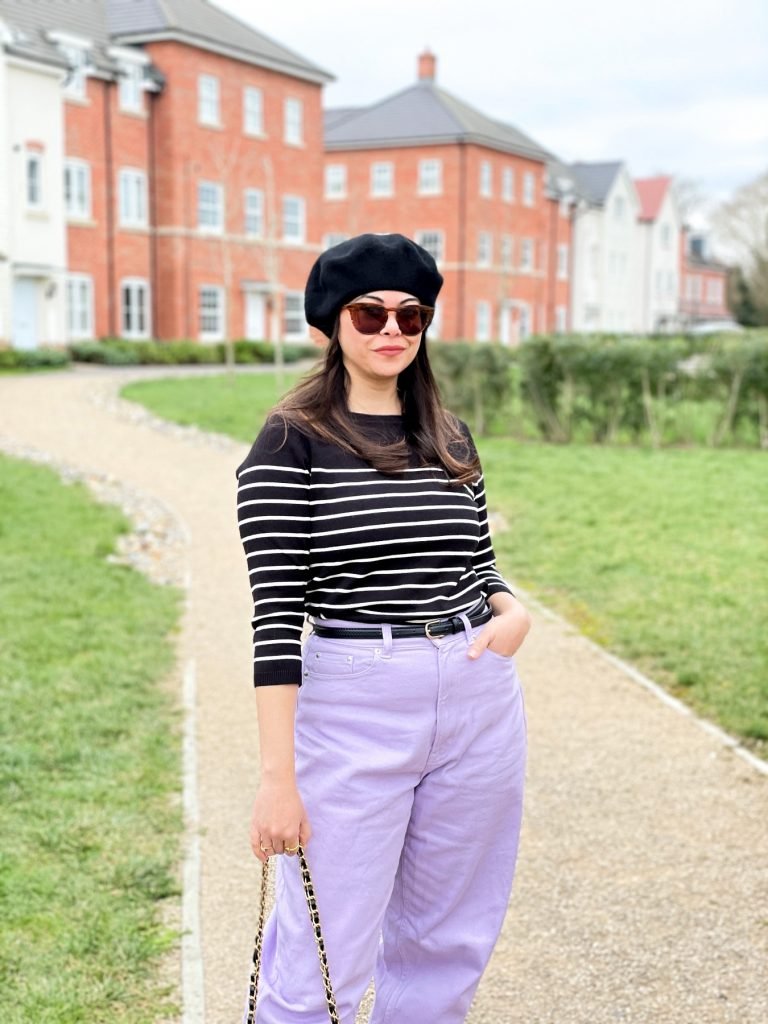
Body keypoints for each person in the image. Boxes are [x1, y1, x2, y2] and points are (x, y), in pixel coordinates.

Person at [235, 233, 530, 1023]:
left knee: (448, 943)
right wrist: (276, 780)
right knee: (323, 953)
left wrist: (512, 609)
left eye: (412, 313)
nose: (392, 330)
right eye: (370, 313)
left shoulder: (450, 432)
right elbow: (273, 617)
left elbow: (475, 559)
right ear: (332, 324)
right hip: (356, 697)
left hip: (476, 695)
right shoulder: (290, 441)